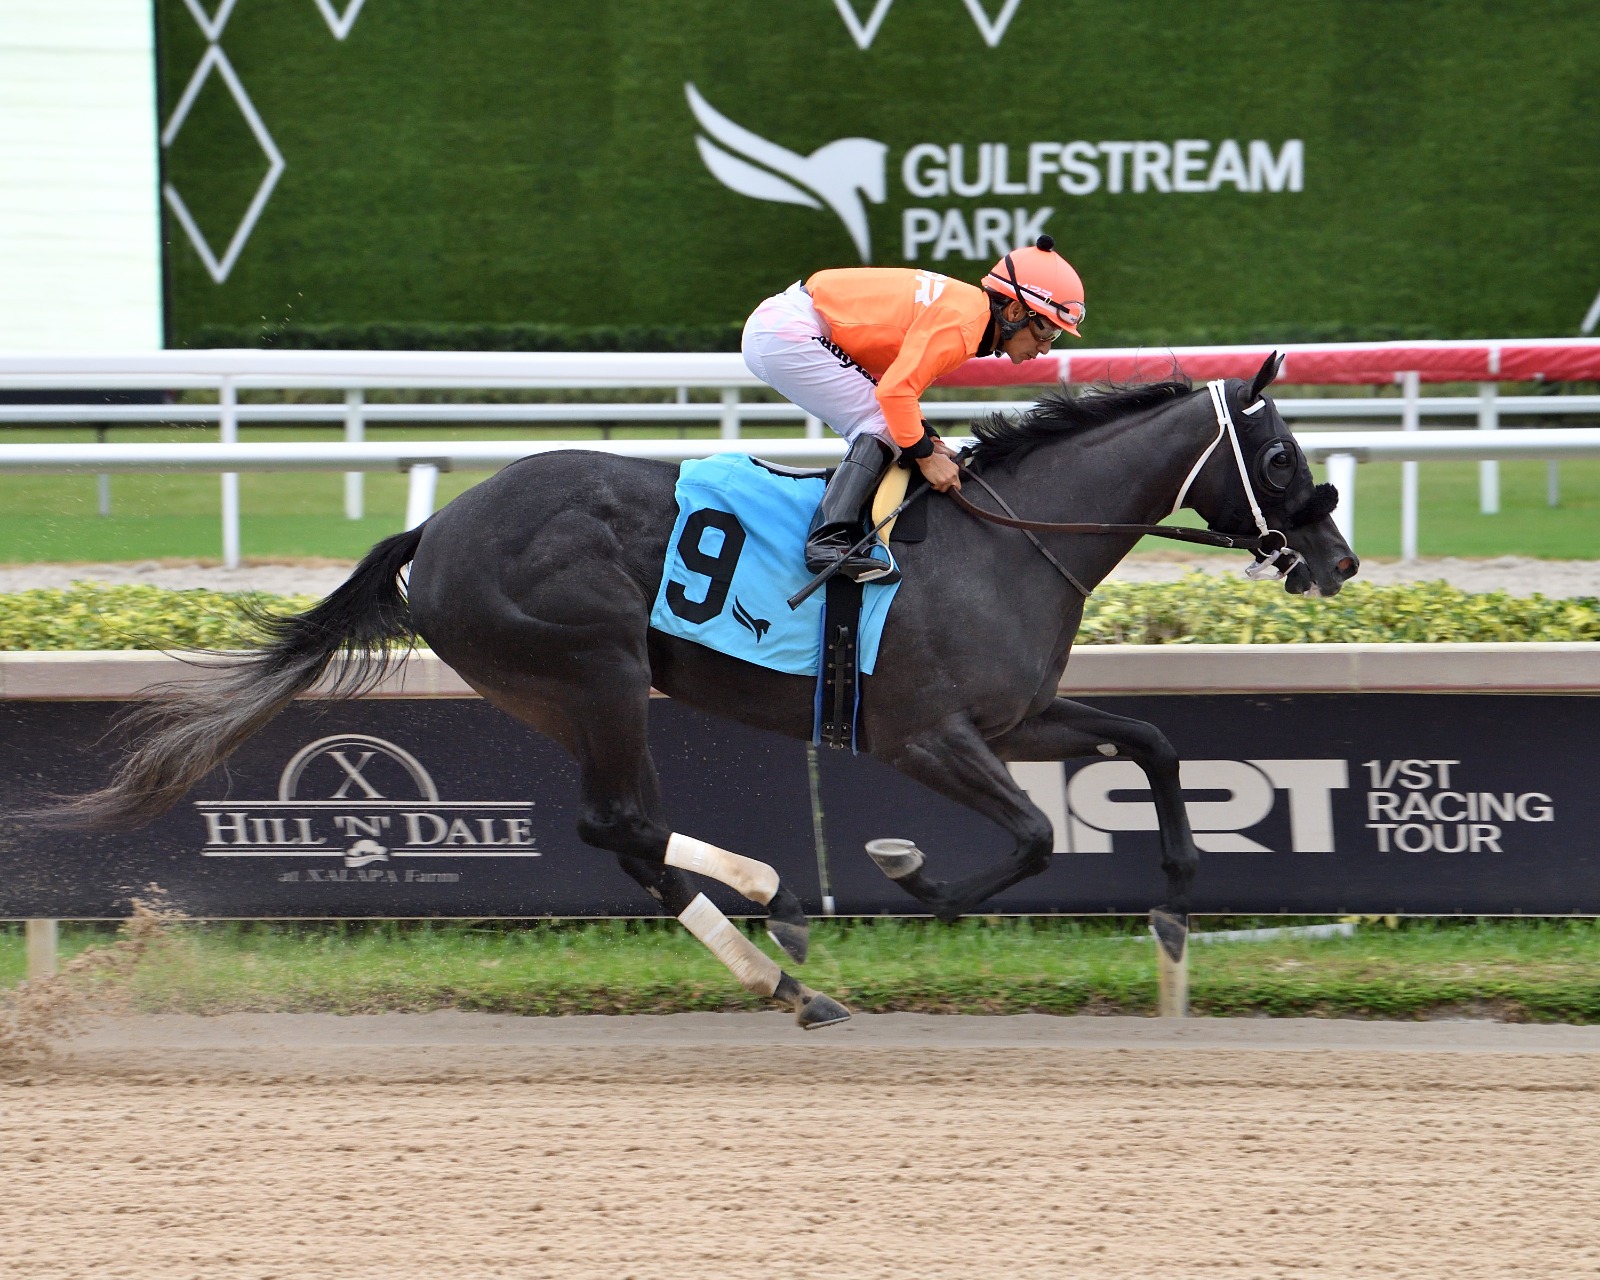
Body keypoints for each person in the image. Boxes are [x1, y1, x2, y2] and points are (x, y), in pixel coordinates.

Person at [741, 234, 1085, 583]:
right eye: (1046, 330)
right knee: (881, 425)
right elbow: (893, 394)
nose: (1044, 348)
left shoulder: (968, 314)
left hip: (786, 324)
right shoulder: (964, 325)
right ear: (1014, 311)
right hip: (786, 331)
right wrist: (924, 455)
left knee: (896, 428)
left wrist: (930, 441)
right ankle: (827, 543)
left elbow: (897, 391)